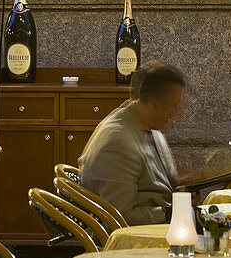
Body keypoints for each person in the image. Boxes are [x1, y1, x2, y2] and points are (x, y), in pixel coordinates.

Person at [79, 61, 186, 225]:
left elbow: (150, 182)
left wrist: (184, 188)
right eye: (174, 106)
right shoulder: (118, 143)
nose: (178, 114)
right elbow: (119, 217)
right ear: (154, 105)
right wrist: (171, 211)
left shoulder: (148, 125)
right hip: (132, 239)